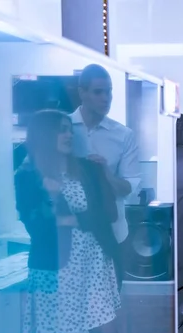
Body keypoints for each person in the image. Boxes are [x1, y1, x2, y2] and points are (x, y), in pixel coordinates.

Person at [15, 110, 121, 333]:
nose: (68, 134)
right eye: (61, 130)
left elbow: (108, 214)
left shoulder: (86, 169)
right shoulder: (27, 176)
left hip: (93, 264)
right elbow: (38, 226)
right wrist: (57, 201)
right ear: (44, 134)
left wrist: (70, 219)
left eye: (69, 129)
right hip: (52, 268)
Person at [70, 63, 141, 287]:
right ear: (82, 92)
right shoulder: (62, 128)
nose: (106, 98)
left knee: (111, 307)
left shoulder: (123, 135)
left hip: (113, 236)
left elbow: (130, 186)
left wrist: (106, 173)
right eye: (98, 92)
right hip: (71, 236)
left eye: (109, 91)